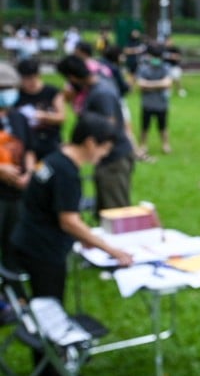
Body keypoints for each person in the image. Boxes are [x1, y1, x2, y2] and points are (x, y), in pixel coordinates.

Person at [9, 112, 133, 303]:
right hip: (44, 250)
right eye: (105, 148)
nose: (105, 154)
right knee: (49, 307)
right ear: (91, 143)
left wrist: (83, 236)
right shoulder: (67, 174)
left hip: (26, 239)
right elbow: (69, 222)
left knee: (37, 300)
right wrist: (112, 251)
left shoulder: (53, 159)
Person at [56, 55, 134, 212]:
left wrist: (81, 147)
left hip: (114, 159)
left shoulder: (101, 94)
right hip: (108, 157)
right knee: (105, 207)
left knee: (115, 211)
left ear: (71, 77)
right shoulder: (99, 85)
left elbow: (108, 127)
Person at [0, 62, 36, 266]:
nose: (5, 94)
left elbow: (29, 149)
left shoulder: (19, 118)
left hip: (17, 194)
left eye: (9, 88)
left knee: (13, 243)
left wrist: (29, 172)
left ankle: (12, 287)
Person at [16, 58, 66, 159]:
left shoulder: (52, 92)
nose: (31, 82)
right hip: (27, 142)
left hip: (50, 141)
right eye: (27, 79)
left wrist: (43, 116)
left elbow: (61, 117)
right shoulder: (17, 95)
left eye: (34, 77)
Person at [136, 44, 173, 155]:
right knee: (144, 126)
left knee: (163, 126)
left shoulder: (166, 67)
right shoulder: (143, 68)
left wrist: (149, 84)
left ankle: (165, 145)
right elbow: (140, 84)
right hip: (147, 103)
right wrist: (159, 84)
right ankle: (143, 145)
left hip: (162, 103)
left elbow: (168, 83)